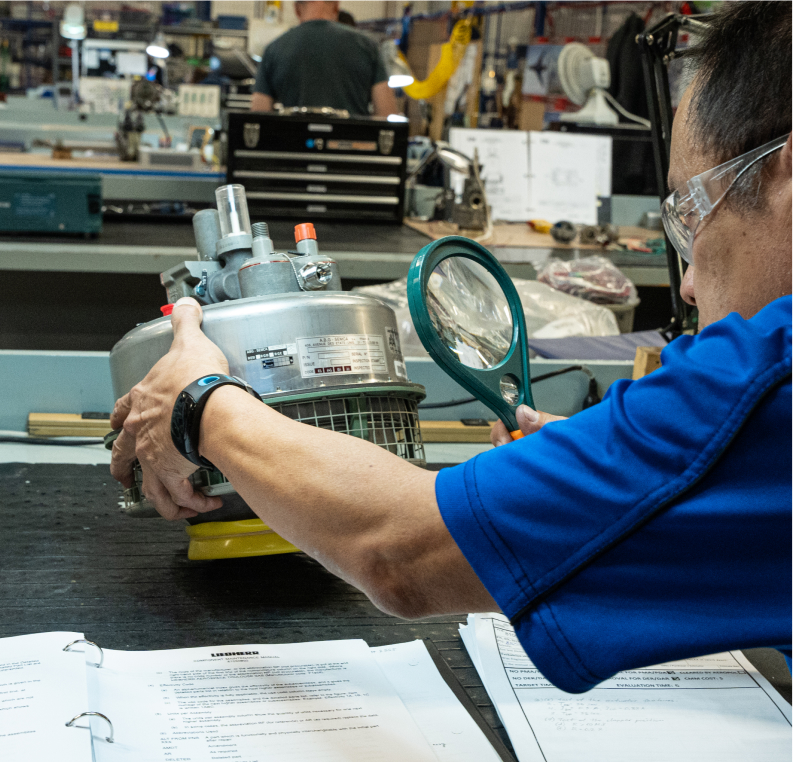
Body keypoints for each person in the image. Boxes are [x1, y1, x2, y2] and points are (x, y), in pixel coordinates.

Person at [110, 2, 791, 694]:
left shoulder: (763, 382)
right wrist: (602, 484)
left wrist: (199, 401)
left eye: (692, 210)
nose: (686, 281)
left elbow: (397, 553)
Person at [250, 1, 396, 117]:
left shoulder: (274, 49)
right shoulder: (367, 47)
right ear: (336, 6)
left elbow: (258, 113)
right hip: (353, 149)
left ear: (297, 9)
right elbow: (386, 113)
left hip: (296, 148)